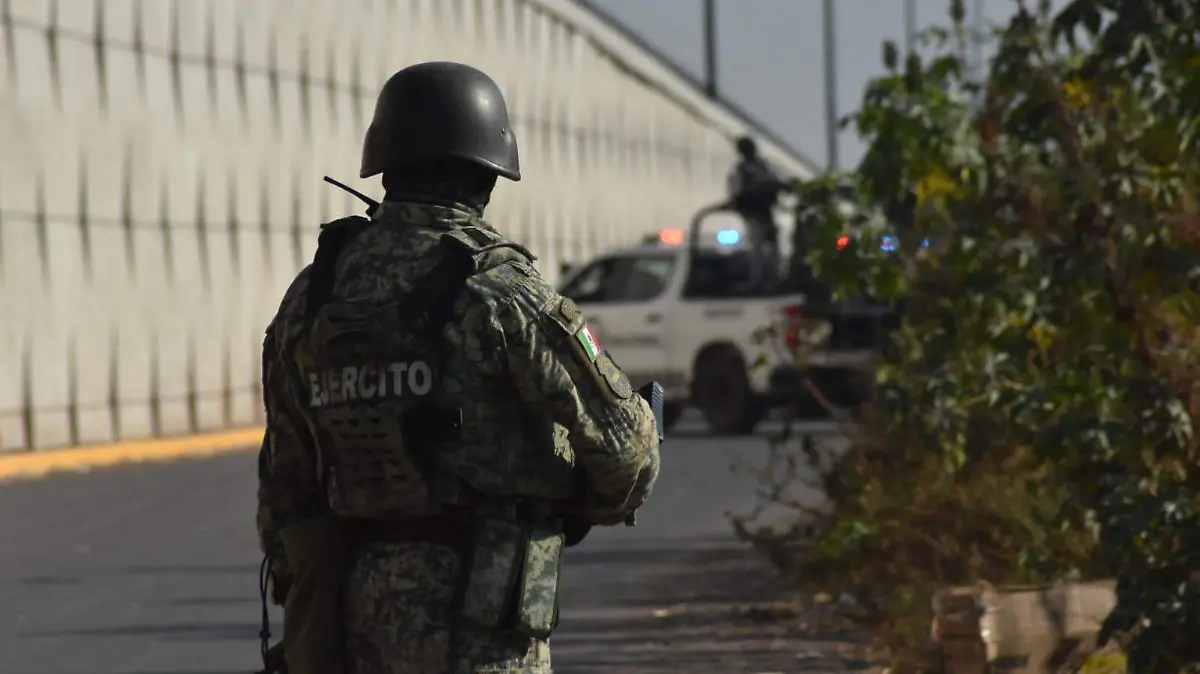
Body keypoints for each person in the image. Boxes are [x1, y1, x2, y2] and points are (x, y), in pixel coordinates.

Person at [255, 61, 661, 674]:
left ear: (385, 166)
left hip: (350, 625)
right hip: (482, 622)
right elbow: (630, 455)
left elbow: (283, 490)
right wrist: (569, 501)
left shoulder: (313, 294)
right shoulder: (503, 292)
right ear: (486, 175)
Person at [726, 136, 793, 286]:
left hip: (765, 211)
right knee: (757, 247)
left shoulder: (762, 167)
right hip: (754, 213)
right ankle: (759, 279)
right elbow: (736, 193)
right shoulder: (742, 171)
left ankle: (776, 277)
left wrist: (783, 186)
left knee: (772, 246)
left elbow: (774, 182)